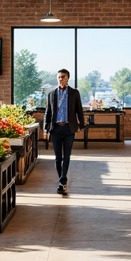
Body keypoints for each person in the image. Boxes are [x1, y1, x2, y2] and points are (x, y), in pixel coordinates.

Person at [45, 68, 85, 196]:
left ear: (68, 78)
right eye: (58, 77)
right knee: (58, 158)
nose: (60, 79)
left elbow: (79, 109)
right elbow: (48, 112)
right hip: (56, 129)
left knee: (66, 156)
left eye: (62, 77)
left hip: (69, 129)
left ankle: (62, 181)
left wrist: (82, 125)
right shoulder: (51, 94)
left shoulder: (74, 93)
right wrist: (46, 128)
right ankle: (62, 181)